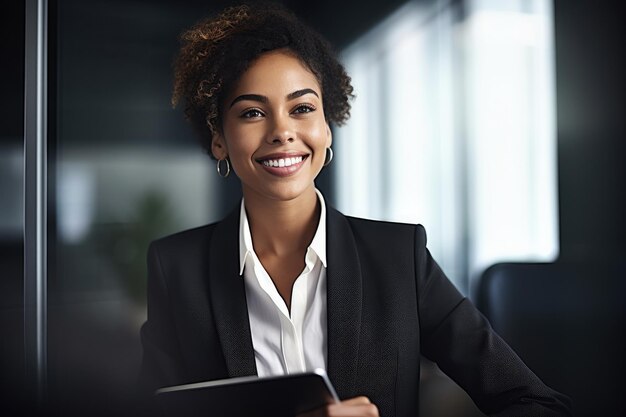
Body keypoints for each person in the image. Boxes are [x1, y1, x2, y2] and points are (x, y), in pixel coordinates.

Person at [138, 3, 571, 416]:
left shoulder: (400, 256)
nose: (282, 131)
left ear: (327, 127)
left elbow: (537, 404)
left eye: (302, 108)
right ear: (219, 138)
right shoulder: (176, 268)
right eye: (252, 112)